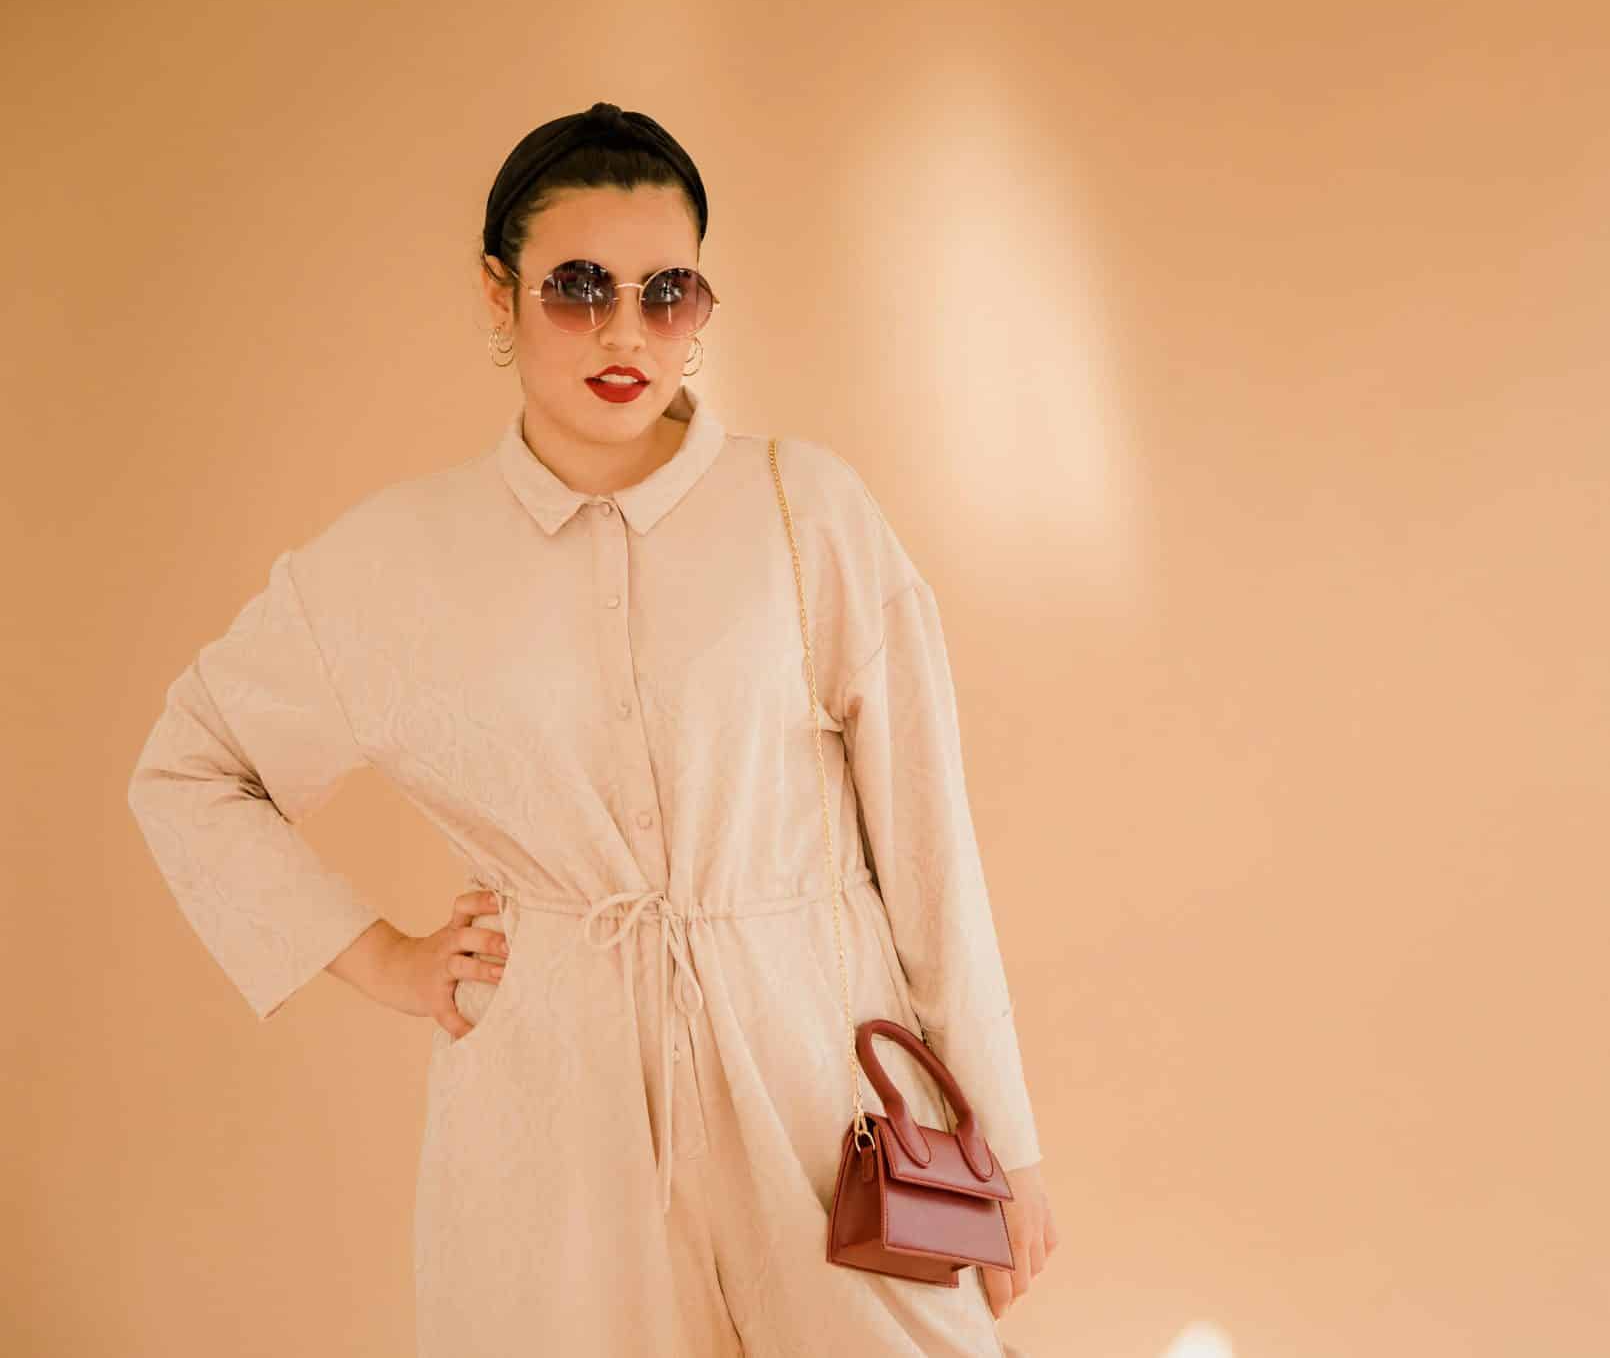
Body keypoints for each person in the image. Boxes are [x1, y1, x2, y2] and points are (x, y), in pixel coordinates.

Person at [125, 100, 1058, 1356]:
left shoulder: (805, 514)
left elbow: (930, 853)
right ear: (496, 295)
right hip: (550, 1123)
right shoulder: (395, 563)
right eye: (577, 288)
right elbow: (190, 769)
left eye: (666, 293)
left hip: (822, 1095)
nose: (626, 332)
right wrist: (389, 962)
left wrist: (1006, 1142)